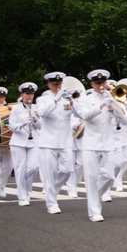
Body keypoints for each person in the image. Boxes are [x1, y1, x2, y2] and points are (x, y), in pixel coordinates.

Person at [72, 69, 127, 221]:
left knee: (109, 176)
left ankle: (94, 199)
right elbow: (86, 115)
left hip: (108, 144)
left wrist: (115, 108)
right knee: (91, 177)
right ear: (92, 84)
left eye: (103, 82)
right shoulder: (85, 99)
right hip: (91, 144)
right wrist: (102, 104)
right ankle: (94, 211)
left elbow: (126, 121)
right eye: (98, 83)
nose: (101, 86)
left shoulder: (112, 98)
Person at [36, 72, 76, 215]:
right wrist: (55, 100)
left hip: (65, 141)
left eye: (59, 84)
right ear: (48, 84)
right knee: (49, 174)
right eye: (54, 84)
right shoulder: (43, 99)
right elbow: (42, 113)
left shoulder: (66, 100)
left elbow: (78, 115)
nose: (58, 86)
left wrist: (72, 101)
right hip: (48, 142)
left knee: (67, 170)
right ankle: (51, 203)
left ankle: (52, 191)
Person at [7, 82, 41, 207]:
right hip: (18, 142)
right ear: (22, 94)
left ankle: (27, 189)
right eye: (27, 94)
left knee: (33, 167)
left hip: (34, 141)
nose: (29, 96)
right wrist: (22, 123)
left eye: (31, 94)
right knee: (20, 169)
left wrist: (36, 119)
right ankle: (22, 195)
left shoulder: (37, 107)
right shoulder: (16, 108)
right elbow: (11, 126)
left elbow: (41, 126)